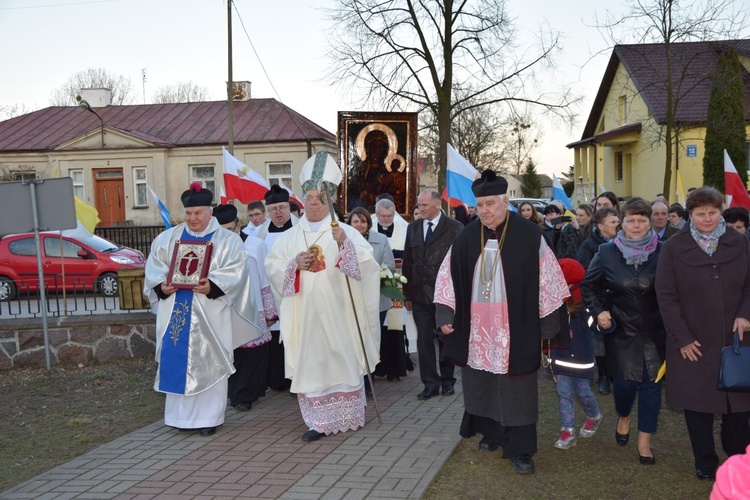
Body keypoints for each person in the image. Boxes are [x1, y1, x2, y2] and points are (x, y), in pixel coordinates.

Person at [434, 169, 570, 474]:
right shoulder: (466, 236)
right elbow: (447, 277)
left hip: (516, 324)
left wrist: (548, 326)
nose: (484, 211)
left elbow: (549, 281)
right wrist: (445, 314)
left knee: (517, 385)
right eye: (480, 205)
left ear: (505, 202)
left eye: (491, 204)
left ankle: (521, 448)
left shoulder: (529, 235)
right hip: (478, 325)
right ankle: (491, 433)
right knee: (481, 381)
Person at [265, 151, 381, 442]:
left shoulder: (345, 232)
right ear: (303, 200)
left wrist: (346, 249)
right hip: (304, 315)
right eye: (310, 198)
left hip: (339, 312)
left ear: (330, 201)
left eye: (320, 198)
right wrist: (293, 266)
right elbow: (273, 267)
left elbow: (368, 267)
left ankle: (349, 415)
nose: (314, 203)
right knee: (312, 362)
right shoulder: (289, 237)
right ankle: (318, 422)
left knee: (341, 358)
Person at [145, 183, 262, 436]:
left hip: (210, 313)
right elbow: (153, 269)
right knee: (176, 360)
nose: (192, 218)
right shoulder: (167, 239)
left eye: (198, 213)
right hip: (175, 310)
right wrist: (161, 287)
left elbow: (238, 273)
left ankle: (209, 419)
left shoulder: (228, 241)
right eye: (188, 213)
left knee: (211, 361)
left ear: (210, 212)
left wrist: (214, 286)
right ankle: (179, 418)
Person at [656, 186, 750, 481]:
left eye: (713, 212)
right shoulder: (673, 246)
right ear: (690, 215)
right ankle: (705, 461)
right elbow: (666, 295)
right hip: (693, 339)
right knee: (697, 405)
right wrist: (681, 337)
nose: (707, 219)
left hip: (736, 338)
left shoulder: (739, 241)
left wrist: (745, 313)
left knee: (739, 403)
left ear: (720, 211)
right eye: (700, 213)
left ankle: (736, 456)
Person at [582, 197, 665, 466]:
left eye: (642, 220)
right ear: (622, 223)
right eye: (631, 220)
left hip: (656, 331)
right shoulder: (606, 252)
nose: (637, 225)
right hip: (622, 331)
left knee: (652, 387)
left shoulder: (664, 251)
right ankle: (624, 415)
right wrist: (599, 311)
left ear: (650, 221)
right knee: (626, 386)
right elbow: (589, 287)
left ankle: (644, 443)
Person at [402, 189, 463, 400]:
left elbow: (459, 262)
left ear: (438, 204)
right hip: (419, 295)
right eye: (419, 205)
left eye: (425, 205)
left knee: (446, 338)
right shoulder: (413, 228)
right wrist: (407, 294)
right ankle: (430, 383)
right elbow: (408, 263)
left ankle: (448, 381)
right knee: (424, 341)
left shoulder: (455, 228)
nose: (421, 209)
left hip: (444, 296)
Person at [214, 204, 276, 412]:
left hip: (253, 306)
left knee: (253, 354)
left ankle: (246, 395)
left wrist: (269, 311)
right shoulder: (212, 248)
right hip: (225, 308)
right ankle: (233, 393)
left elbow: (265, 278)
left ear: (238, 225)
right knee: (231, 354)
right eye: (220, 230)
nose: (226, 235)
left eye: (229, 230)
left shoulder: (256, 246)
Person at [348, 207, 407, 382]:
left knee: (372, 337)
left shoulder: (380, 240)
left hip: (375, 299)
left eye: (363, 221)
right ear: (349, 223)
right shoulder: (342, 240)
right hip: (351, 299)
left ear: (369, 223)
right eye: (355, 221)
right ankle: (356, 376)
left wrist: (375, 275)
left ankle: (369, 375)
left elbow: (388, 266)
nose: (359, 225)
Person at [551, 258, 603, 450]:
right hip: (561, 357)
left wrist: (602, 321)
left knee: (583, 392)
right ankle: (568, 430)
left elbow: (594, 324)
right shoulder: (553, 301)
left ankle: (593, 415)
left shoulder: (584, 302)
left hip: (581, 358)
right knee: (563, 392)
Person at [256, 185, 298, 392]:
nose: (278, 213)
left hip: (296, 290)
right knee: (274, 337)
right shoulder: (259, 234)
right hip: (269, 291)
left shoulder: (301, 229)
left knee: (295, 333)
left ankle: (297, 380)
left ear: (289, 208)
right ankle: (277, 380)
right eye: (273, 209)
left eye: (282, 207)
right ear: (268, 212)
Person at [348, 126, 408, 213]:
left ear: (386, 150)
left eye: (381, 147)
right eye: (374, 146)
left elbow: (396, 194)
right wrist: (364, 193)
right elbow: (353, 191)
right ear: (367, 148)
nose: (377, 151)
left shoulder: (389, 171)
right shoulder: (360, 170)